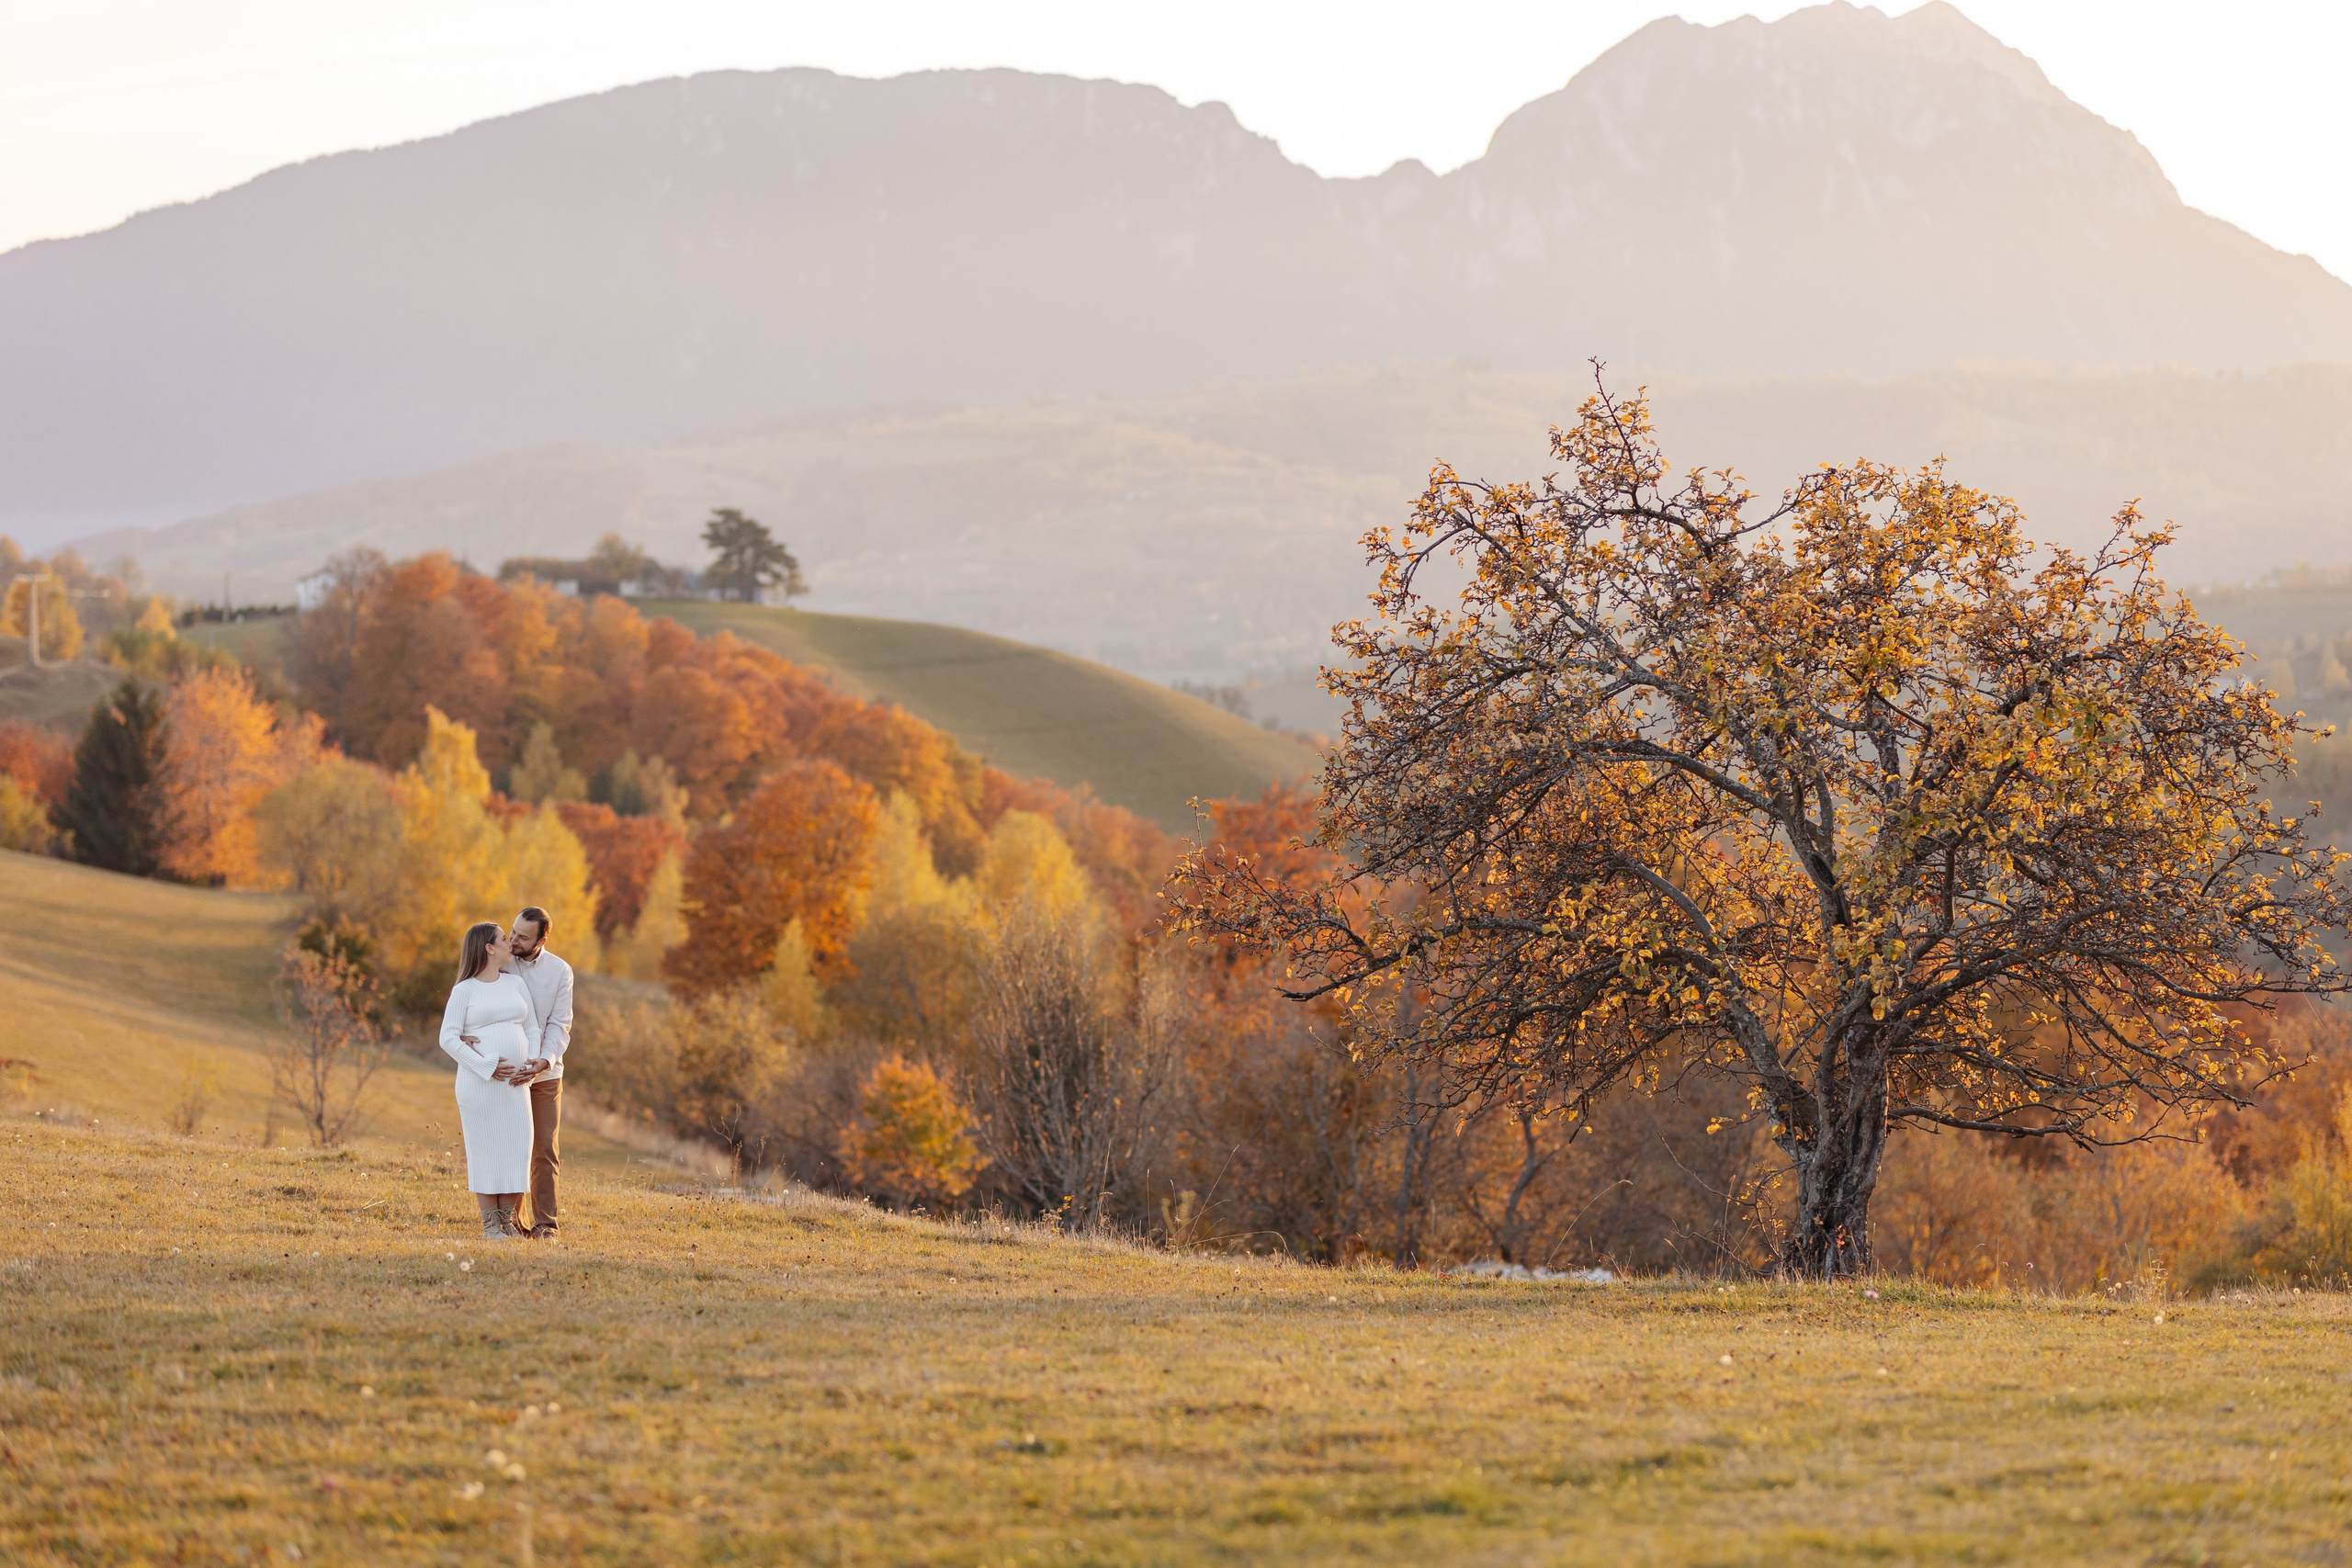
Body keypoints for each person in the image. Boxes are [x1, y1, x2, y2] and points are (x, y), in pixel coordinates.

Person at [437, 921, 548, 1239]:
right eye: (503, 939)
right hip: (480, 1085)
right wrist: (486, 1066)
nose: (509, 943)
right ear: (488, 948)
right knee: (486, 1149)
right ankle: (490, 1227)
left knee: (516, 1147)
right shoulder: (465, 990)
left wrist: (531, 1063)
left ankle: (507, 1223)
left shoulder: (514, 984)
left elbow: (533, 1028)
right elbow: (448, 1038)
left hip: (516, 1084)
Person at [507, 905, 575, 1239]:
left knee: (544, 1148)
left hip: (546, 1075)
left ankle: (545, 1224)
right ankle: (510, 1222)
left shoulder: (560, 971)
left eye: (522, 936)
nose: (513, 939)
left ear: (542, 939)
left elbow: (560, 1024)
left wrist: (545, 1060)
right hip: (506, 1072)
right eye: (513, 930)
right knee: (510, 1146)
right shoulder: (499, 959)